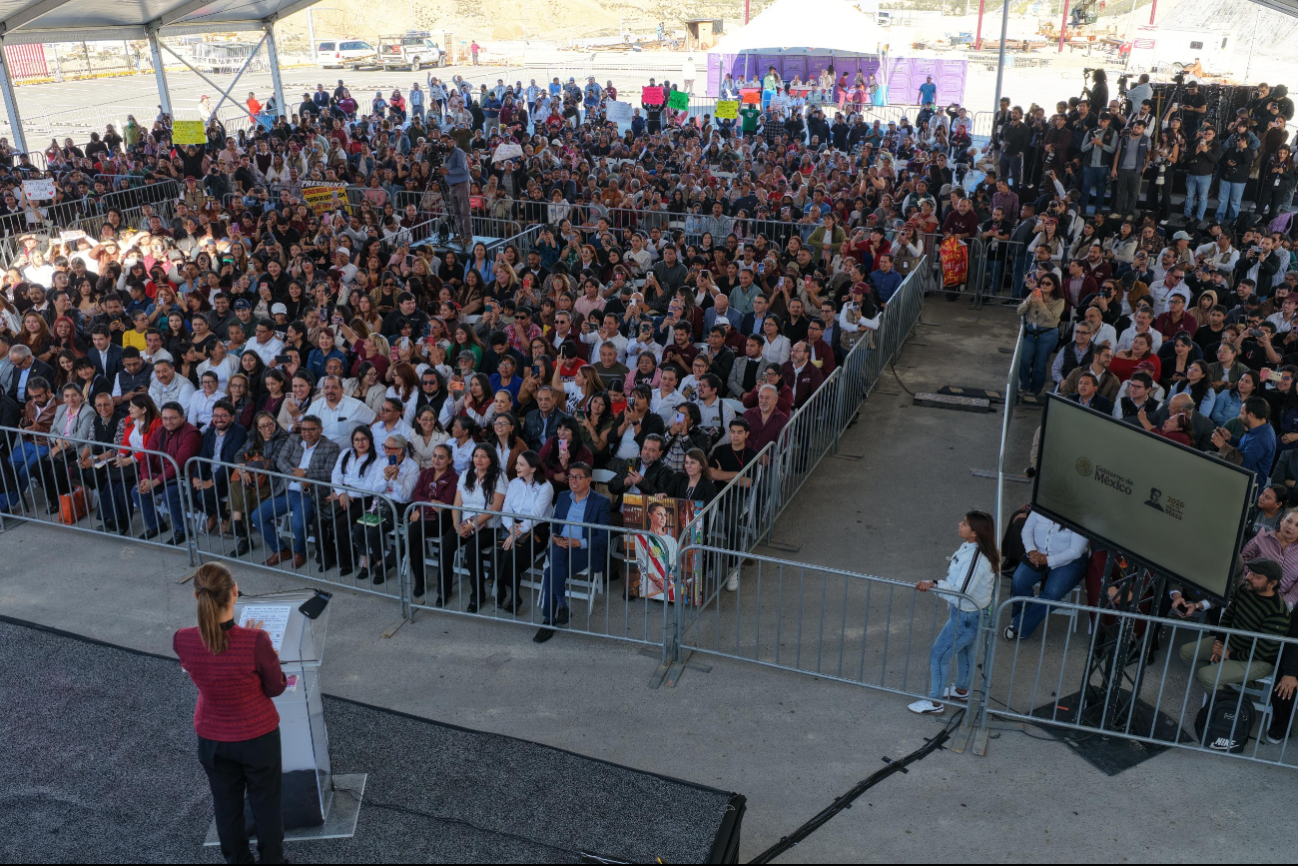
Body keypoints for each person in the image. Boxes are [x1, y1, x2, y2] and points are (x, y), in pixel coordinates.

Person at [174, 563, 287, 866]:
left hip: (212, 737)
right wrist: (269, 656)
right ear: (235, 592)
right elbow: (276, 688)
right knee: (266, 804)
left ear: (196, 595)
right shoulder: (256, 640)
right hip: (257, 736)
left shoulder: (182, 639)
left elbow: (208, 660)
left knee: (226, 806)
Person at [909, 511, 999, 715]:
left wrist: (934, 584)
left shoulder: (976, 558)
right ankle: (960, 690)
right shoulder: (972, 548)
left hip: (967, 615)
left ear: (975, 533)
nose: (960, 524)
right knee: (964, 651)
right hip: (970, 613)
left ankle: (935, 703)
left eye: (964, 524)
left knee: (939, 654)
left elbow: (961, 592)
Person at [1179, 559, 1290, 690]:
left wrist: (1227, 654)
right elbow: (1228, 617)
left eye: (1256, 576)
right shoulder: (1244, 590)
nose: (1248, 577)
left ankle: (1223, 697)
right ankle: (1225, 689)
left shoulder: (1278, 613)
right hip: (1231, 643)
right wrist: (1219, 642)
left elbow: (1260, 652)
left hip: (1258, 661)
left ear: (1272, 583)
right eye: (1250, 572)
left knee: (1206, 676)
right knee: (1186, 653)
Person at [534, 461, 611, 643]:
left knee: (550, 572)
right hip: (560, 544)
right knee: (556, 559)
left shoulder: (601, 502)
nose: (573, 481)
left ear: (588, 480)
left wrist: (578, 542)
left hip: (583, 549)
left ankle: (552, 617)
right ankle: (557, 611)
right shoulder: (563, 497)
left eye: (577, 477)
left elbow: (603, 537)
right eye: (570, 477)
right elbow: (555, 523)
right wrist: (554, 536)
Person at [438, 444, 506, 612]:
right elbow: (457, 503)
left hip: (489, 526)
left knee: (471, 548)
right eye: (476, 456)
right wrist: (457, 525)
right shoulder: (466, 475)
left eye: (483, 456)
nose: (479, 459)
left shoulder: (499, 476)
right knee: (446, 545)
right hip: (464, 523)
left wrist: (472, 525)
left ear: (491, 459)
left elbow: (496, 507)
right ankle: (443, 590)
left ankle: (477, 595)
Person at [1004, 510, 1089, 641]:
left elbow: (1075, 551)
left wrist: (1048, 560)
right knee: (1019, 581)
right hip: (1037, 555)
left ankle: (1018, 626)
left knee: (1052, 593)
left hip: (1069, 562)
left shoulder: (1080, 516)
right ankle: (1023, 622)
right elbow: (1027, 530)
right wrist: (1032, 551)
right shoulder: (1041, 508)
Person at [496, 450, 555, 613]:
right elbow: (506, 510)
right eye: (517, 463)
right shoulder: (514, 483)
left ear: (533, 468)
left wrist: (516, 534)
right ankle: (504, 591)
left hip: (537, 530)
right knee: (498, 551)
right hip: (513, 526)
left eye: (521, 464)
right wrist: (511, 529)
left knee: (510, 554)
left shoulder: (545, 487)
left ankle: (511, 594)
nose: (517, 467)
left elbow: (535, 516)